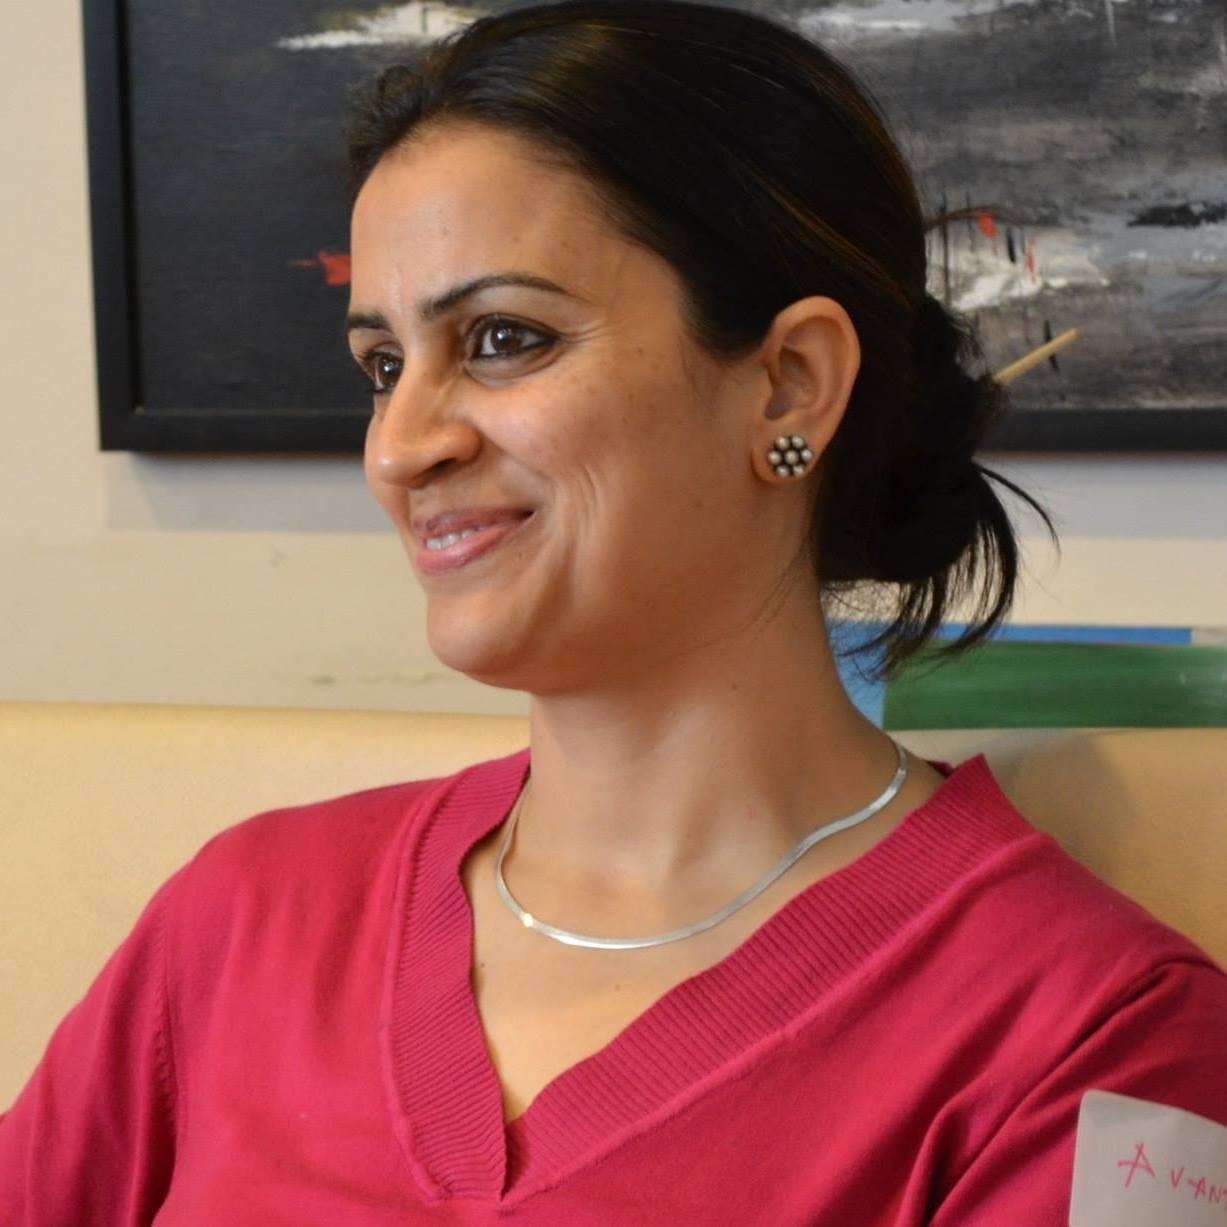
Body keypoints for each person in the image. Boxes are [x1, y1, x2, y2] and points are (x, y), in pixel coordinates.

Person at [3, 1, 1226, 1222]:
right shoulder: (250, 919)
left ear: (789, 386)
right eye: (383, 366)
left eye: (502, 338)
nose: (398, 449)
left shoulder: (1100, 1048)